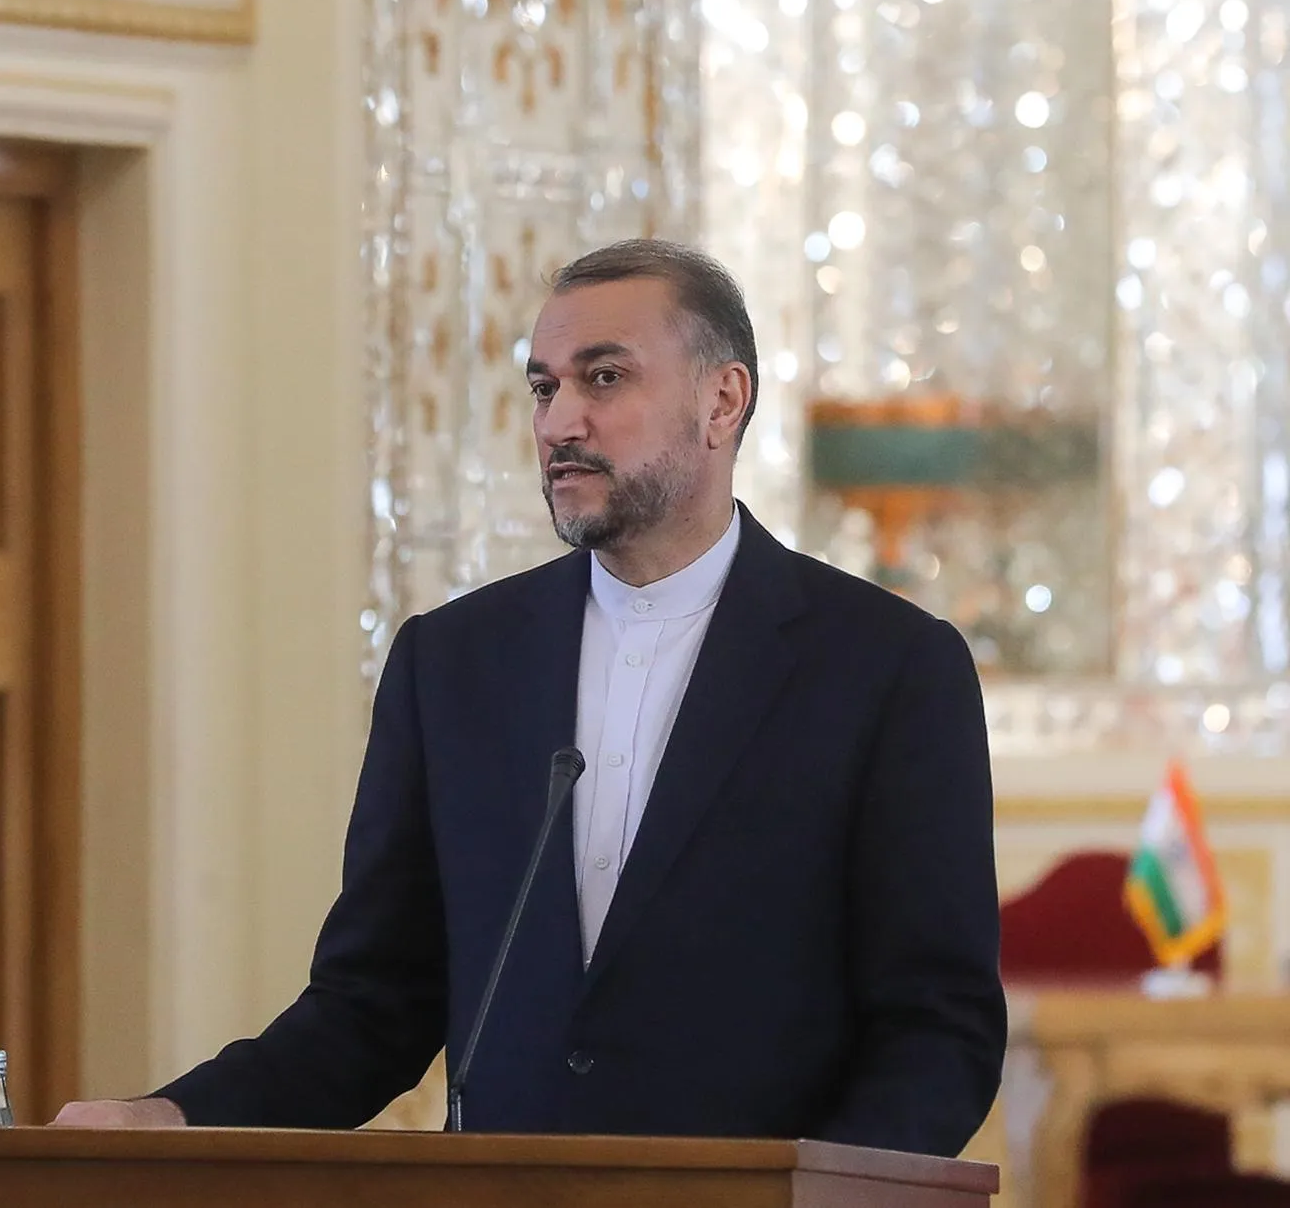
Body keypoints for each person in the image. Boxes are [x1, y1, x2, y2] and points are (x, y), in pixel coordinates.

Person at [54, 239, 1005, 1155]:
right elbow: (374, 1003)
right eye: (544, 388)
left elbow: (938, 1030)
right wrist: (174, 1117)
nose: (558, 425)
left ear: (723, 400)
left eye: (604, 378)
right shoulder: (454, 663)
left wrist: (817, 1192)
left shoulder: (887, 668)